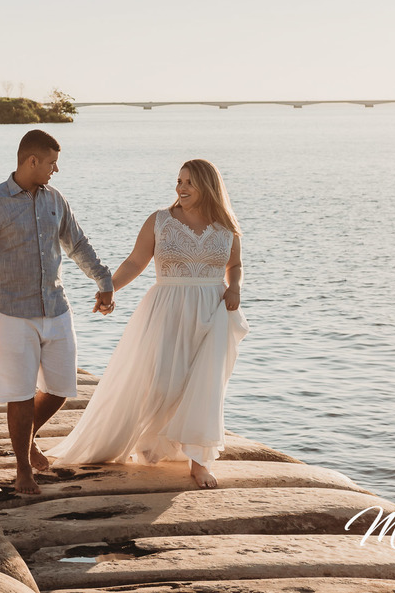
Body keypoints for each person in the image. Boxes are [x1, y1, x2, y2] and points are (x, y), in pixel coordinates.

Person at [50, 159, 249, 490]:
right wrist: (109, 288)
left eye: (189, 182)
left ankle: (200, 462)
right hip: (167, 308)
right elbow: (135, 261)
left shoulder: (226, 226)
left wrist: (235, 287)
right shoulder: (160, 221)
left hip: (213, 311)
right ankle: (150, 441)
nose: (181, 188)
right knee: (160, 382)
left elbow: (236, 264)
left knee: (206, 385)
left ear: (208, 186)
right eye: (179, 181)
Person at [0, 129, 115, 495]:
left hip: (56, 308)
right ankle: (22, 468)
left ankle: (27, 439)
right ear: (32, 161)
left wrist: (103, 280)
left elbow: (77, 244)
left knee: (61, 388)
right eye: (51, 163)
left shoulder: (55, 200)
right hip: (11, 312)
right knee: (20, 394)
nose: (55, 170)